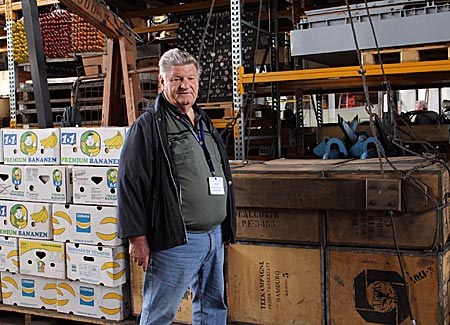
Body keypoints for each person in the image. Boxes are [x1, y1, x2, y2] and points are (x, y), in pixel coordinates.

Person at [117, 48, 236, 325]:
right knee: (160, 313)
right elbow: (130, 184)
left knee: (212, 307)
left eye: (191, 78)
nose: (185, 85)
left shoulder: (203, 121)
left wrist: (225, 226)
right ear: (162, 82)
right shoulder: (149, 126)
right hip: (176, 240)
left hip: (213, 237)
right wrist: (137, 238)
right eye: (176, 79)